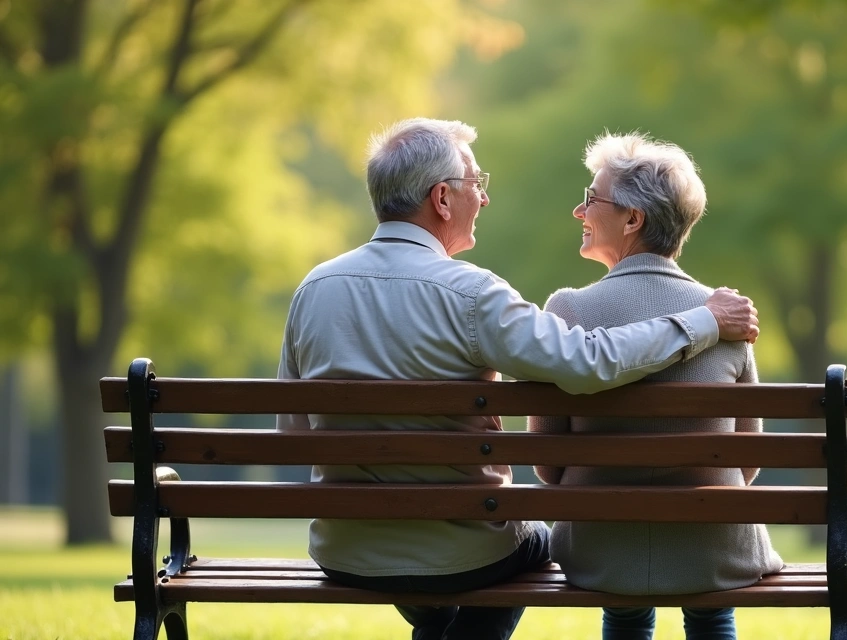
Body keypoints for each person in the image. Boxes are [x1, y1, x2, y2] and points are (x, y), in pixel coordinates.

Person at [276, 118, 761, 640]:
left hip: (345, 552)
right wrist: (704, 321)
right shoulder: (472, 294)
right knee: (531, 546)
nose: (482, 199)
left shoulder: (313, 288)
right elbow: (587, 363)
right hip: (464, 554)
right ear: (442, 198)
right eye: (476, 185)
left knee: (476, 568)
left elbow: (294, 434)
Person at [528, 132, 784, 640]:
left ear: (632, 218)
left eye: (590, 199)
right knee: (712, 611)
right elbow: (747, 462)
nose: (580, 212)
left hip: (600, 550)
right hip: (713, 547)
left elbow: (548, 467)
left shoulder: (567, 312)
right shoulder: (728, 316)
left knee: (623, 606)